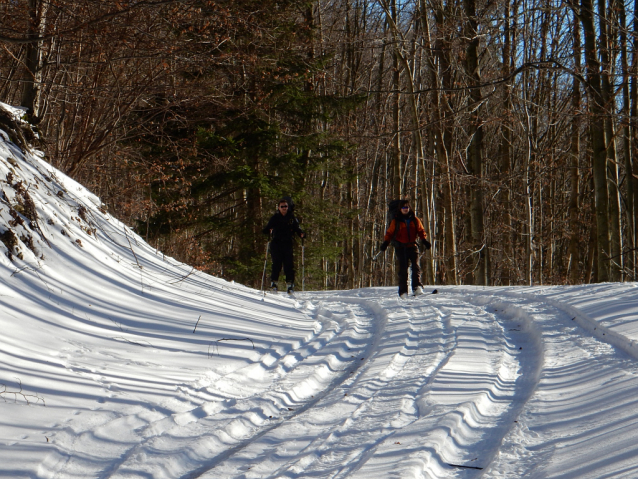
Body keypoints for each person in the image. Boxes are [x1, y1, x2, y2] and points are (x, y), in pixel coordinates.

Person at [380, 200, 431, 298]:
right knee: (403, 270)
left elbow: (421, 231)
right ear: (400, 209)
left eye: (407, 207)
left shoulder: (415, 220)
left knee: (416, 267)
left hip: (412, 246)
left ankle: (417, 287)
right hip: (400, 247)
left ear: (409, 208)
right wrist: (385, 243)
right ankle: (403, 291)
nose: (405, 209)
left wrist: (424, 240)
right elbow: (389, 233)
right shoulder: (396, 221)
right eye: (403, 208)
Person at [262, 198, 305, 294]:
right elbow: (266, 229)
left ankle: (290, 284)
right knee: (276, 263)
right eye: (282, 206)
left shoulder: (291, 218)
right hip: (276, 243)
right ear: (279, 208)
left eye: (285, 206)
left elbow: (297, 228)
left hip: (287, 243)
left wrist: (302, 234)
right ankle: (274, 283)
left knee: (288, 264)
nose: (284, 208)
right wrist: (268, 231)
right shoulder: (275, 218)